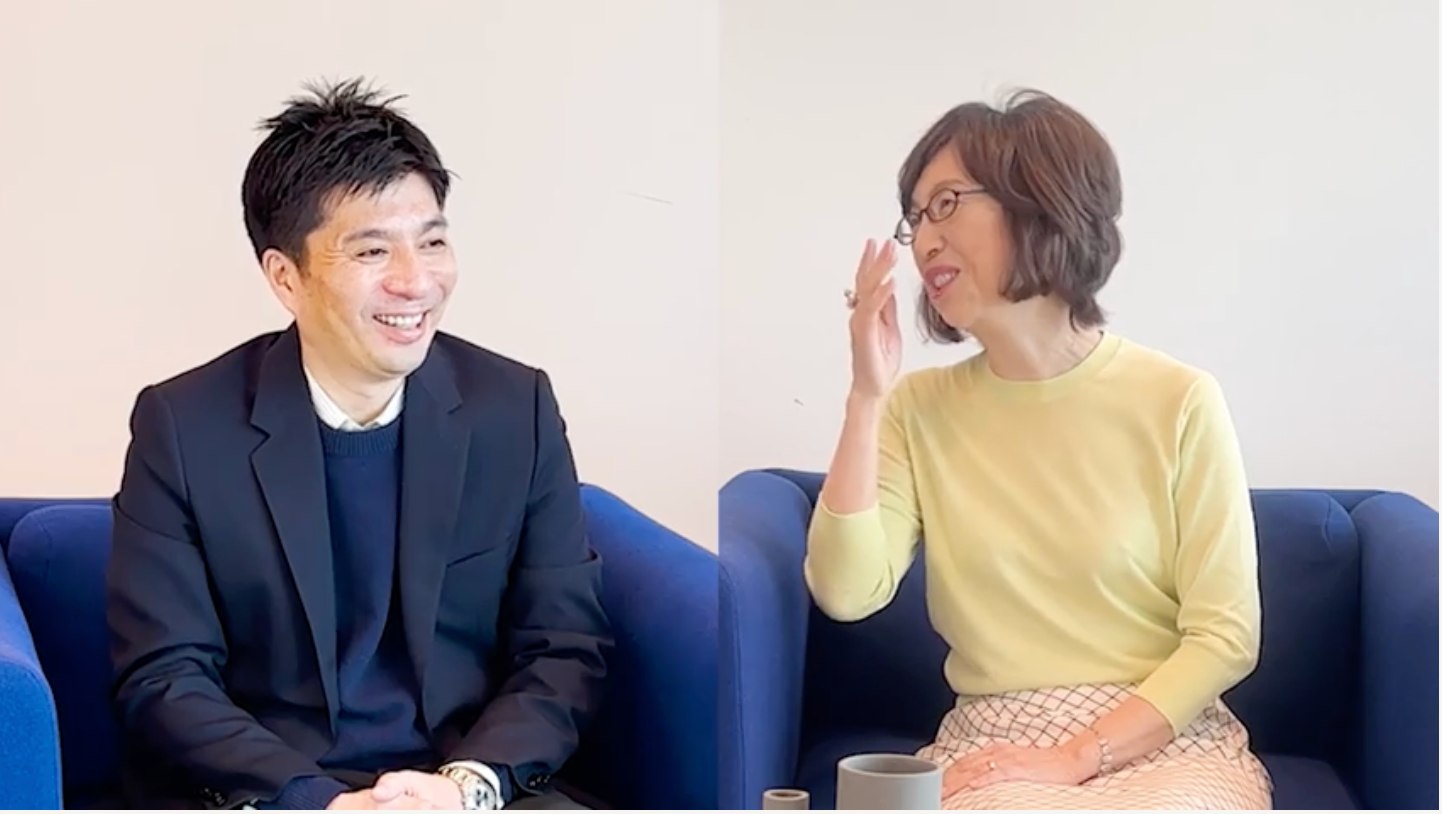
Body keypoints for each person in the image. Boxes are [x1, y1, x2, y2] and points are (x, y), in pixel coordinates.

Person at [105, 78, 610, 811]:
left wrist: (468, 786)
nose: (416, 282)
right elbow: (164, 674)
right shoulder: (183, 426)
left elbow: (564, 647)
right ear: (286, 277)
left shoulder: (515, 409)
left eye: (432, 242)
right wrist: (318, 800)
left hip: (464, 784)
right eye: (372, 250)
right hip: (275, 791)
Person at [805, 89, 1272, 810]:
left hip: (1165, 740)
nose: (924, 241)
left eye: (947, 203)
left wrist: (1077, 757)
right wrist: (866, 396)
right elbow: (846, 592)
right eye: (916, 218)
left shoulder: (1179, 399)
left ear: (1041, 202)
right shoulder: (915, 410)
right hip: (996, 741)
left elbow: (1226, 636)